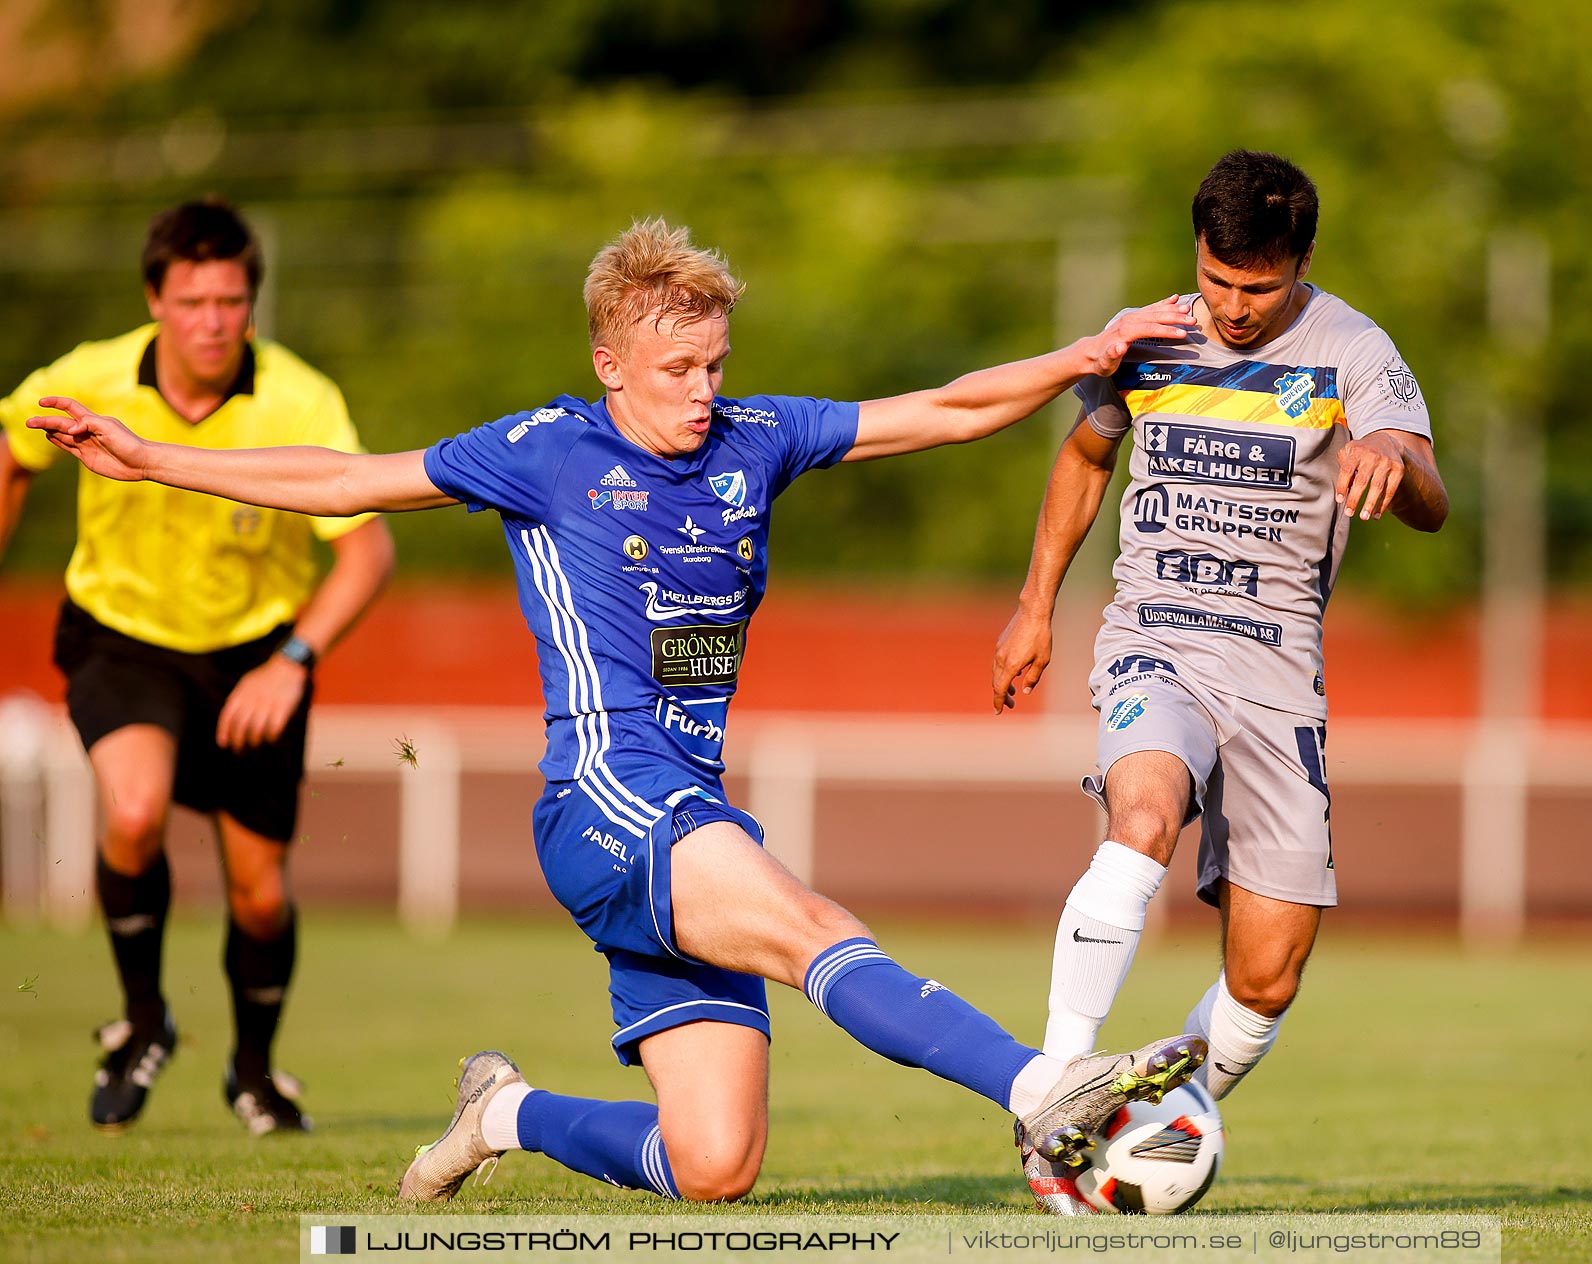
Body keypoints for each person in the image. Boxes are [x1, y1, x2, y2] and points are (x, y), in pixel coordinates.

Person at [30, 217, 1206, 1206]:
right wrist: (149, 460)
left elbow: (946, 409)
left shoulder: (759, 437)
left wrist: (1087, 352)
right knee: (806, 923)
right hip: (607, 798)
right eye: (675, 371)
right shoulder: (543, 451)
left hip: (685, 810)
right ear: (610, 364)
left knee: (713, 1163)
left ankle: (506, 1112)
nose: (703, 392)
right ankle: (1043, 1088)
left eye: (715, 365)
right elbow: (346, 479)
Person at [991, 150, 1449, 1214]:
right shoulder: (1149, 336)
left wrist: (1391, 459)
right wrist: (1033, 603)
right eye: (1217, 281)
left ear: (1301, 264)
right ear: (1195, 252)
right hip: (1158, 637)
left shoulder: (1355, 350)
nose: (1234, 309)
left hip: (1280, 671)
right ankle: (1056, 1091)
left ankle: (1139, 1113)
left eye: (1258, 288)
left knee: (1268, 974)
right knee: (1143, 816)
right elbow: (1086, 457)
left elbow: (1428, 491)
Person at [0, 198, 395, 1134]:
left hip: (255, 653)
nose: (212, 320)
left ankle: (254, 1073)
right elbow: (11, 452)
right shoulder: (89, 379)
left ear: (251, 305)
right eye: (192, 300)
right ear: (155, 300)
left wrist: (293, 659)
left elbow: (368, 552)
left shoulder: (299, 398)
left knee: (259, 892)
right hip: (121, 635)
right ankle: (142, 1022)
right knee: (131, 812)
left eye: (229, 301)